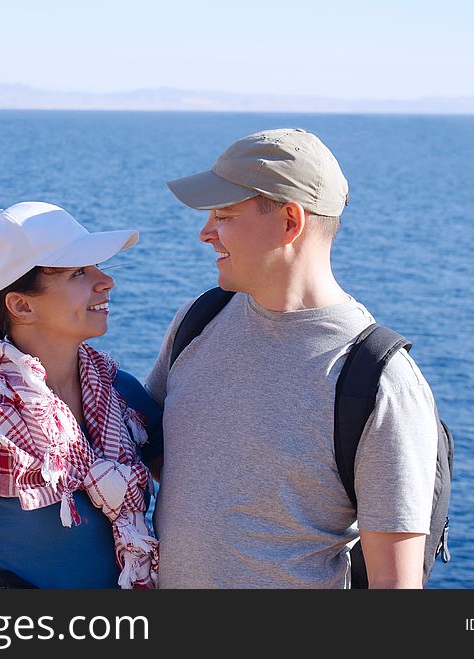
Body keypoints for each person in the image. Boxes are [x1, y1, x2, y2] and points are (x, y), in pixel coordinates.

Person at [143, 128, 439, 588]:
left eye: (223, 215)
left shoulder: (376, 379)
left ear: (289, 221)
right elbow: (153, 454)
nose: (205, 233)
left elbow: (395, 585)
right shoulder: (199, 321)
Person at [0, 201, 161, 589]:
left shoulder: (122, 394)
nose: (105, 280)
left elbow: (199, 492)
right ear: (22, 305)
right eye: (79, 272)